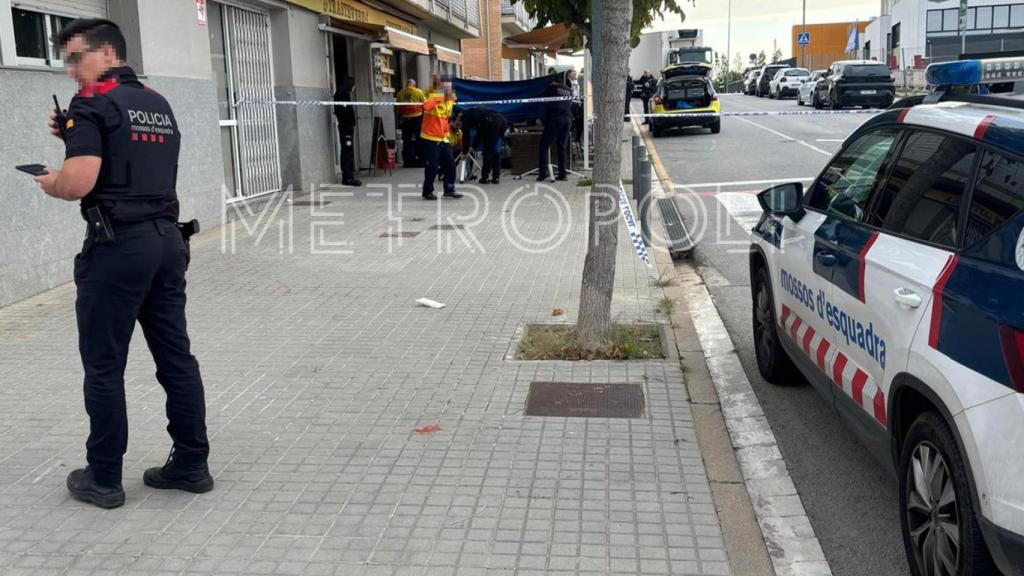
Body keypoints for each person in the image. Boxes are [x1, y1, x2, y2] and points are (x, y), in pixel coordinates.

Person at [34, 18, 212, 509]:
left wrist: (54, 179)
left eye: (77, 57)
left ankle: (104, 476)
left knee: (104, 365)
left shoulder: (91, 103)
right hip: (167, 244)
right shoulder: (156, 102)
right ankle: (192, 463)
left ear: (108, 53)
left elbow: (78, 184)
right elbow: (130, 160)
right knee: (175, 356)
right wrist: (73, 135)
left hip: (117, 249)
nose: (71, 69)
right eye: (66, 60)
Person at [420, 80, 462, 200]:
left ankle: (449, 190)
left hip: (443, 138)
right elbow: (425, 106)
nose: (450, 91)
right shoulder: (432, 98)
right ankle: (427, 191)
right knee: (432, 166)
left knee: (450, 164)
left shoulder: (449, 101)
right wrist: (438, 96)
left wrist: (450, 99)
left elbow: (448, 113)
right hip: (430, 138)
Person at [537, 75, 572, 181]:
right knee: (562, 146)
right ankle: (563, 174)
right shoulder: (568, 89)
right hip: (567, 119)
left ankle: (543, 173)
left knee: (544, 145)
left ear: (552, 82)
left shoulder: (552, 87)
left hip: (555, 119)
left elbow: (540, 97)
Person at [333, 76, 361, 186]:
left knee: (347, 151)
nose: (354, 87)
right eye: (353, 84)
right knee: (347, 151)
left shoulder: (341, 95)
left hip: (346, 127)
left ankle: (348, 175)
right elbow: (344, 113)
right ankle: (348, 177)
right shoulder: (343, 96)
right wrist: (349, 123)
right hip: (346, 128)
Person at [395, 79, 425, 167]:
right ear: (414, 85)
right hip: (417, 117)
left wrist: (400, 117)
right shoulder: (419, 92)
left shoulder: (400, 93)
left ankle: (407, 162)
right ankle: (421, 160)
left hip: (406, 119)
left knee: (406, 140)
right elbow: (424, 105)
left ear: (406, 85)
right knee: (420, 139)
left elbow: (398, 108)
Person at [477, 109, 507, 184]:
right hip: (498, 135)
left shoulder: (483, 118)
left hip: (488, 136)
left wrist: (475, 145)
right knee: (496, 156)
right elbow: (503, 128)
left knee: (487, 156)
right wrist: (501, 136)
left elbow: (480, 133)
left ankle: (485, 177)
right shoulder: (500, 117)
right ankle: (496, 177)